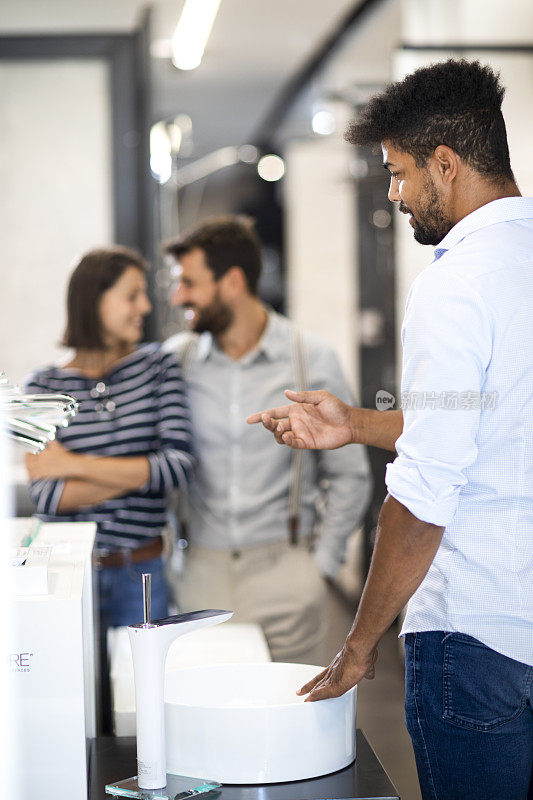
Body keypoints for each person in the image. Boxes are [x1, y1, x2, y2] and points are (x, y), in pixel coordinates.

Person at [248, 60, 533, 800]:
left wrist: (359, 641)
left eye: (399, 172)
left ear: (446, 163)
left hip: (474, 638)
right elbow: (493, 419)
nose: (394, 195)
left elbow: (421, 496)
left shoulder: (454, 282)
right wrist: (357, 425)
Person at [163, 215, 371, 665]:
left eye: (189, 283)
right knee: (207, 718)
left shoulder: (310, 357)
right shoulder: (174, 363)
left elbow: (350, 475)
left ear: (233, 282)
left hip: (286, 573)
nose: (178, 296)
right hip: (200, 576)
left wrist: (320, 568)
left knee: (285, 718)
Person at [25, 246, 193, 729]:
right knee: (70, 719)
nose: (144, 307)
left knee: (143, 719)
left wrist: (71, 463)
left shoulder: (158, 367)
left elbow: (177, 466)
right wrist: (136, 472)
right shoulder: (40, 387)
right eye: (132, 295)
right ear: (93, 300)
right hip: (63, 580)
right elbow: (47, 497)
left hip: (140, 574)